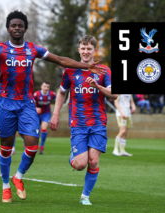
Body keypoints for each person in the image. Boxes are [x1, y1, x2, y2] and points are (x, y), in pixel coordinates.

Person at [0, 10, 105, 203]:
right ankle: (5, 186)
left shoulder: (33, 49)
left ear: (25, 29)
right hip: (6, 104)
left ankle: (19, 177)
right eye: (13, 25)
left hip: (26, 104)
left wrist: (85, 67)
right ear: (8, 28)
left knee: (32, 146)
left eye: (20, 25)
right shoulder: (0, 49)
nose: (16, 28)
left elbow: (60, 60)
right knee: (6, 148)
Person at [50, 35, 117, 205]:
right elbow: (62, 92)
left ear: (95, 50)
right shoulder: (70, 70)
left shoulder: (104, 71)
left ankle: (85, 196)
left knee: (93, 161)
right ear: (79, 50)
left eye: (89, 49)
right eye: (83, 48)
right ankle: (73, 157)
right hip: (78, 123)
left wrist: (97, 86)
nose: (86, 52)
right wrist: (56, 113)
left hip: (98, 122)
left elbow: (114, 94)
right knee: (80, 164)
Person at [33, 81, 56, 154]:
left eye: (47, 87)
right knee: (34, 131)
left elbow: (59, 101)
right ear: (41, 87)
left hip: (46, 114)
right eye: (44, 86)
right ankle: (32, 145)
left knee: (44, 129)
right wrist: (35, 108)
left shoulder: (52, 94)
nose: (46, 88)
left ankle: (42, 146)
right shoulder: (36, 94)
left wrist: (55, 112)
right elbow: (30, 103)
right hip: (36, 114)